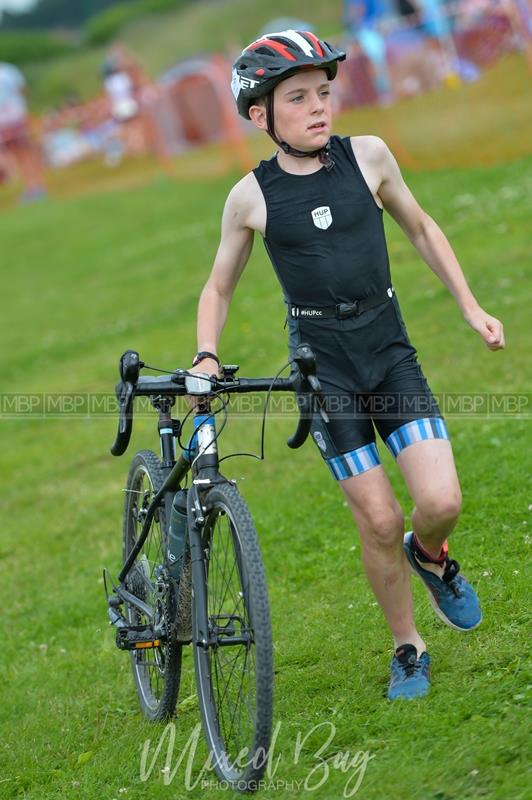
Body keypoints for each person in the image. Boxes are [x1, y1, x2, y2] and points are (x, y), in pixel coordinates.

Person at [190, 30, 505, 700]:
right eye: (297, 97)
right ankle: (408, 647)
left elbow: (421, 227)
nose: (317, 107)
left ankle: (431, 556)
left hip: (388, 353)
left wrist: (470, 306)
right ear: (260, 115)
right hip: (324, 369)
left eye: (323, 93)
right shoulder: (252, 197)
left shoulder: (370, 157)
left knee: (440, 501)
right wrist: (207, 353)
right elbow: (218, 287)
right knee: (380, 520)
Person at [0, 61, 46, 202]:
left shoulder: (7, 70)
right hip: (7, 119)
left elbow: (22, 91)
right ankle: (31, 187)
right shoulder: (9, 70)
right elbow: (23, 91)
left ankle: (37, 186)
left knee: (25, 153)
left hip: (13, 117)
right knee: (18, 154)